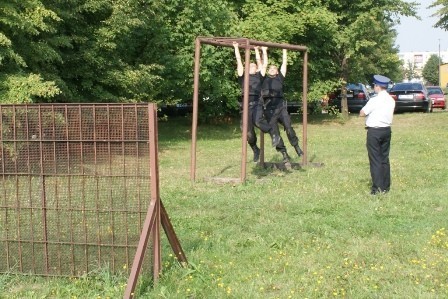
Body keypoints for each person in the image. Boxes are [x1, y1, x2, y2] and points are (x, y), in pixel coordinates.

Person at [233, 42, 279, 162]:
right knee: (247, 133)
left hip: (256, 103)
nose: (252, 66)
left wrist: (262, 50)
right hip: (245, 106)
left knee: (258, 122)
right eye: (250, 65)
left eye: (254, 65)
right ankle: (255, 149)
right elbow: (239, 62)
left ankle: (274, 134)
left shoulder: (259, 75)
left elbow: (263, 64)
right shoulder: (243, 75)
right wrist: (236, 47)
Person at [256, 48, 304, 163]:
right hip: (269, 109)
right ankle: (284, 154)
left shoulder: (280, 78)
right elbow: (261, 64)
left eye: (274, 68)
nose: (271, 69)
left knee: (288, 127)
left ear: (277, 71)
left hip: (280, 107)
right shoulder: (263, 79)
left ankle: (296, 147)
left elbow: (284, 63)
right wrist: (262, 51)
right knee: (275, 133)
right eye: (270, 68)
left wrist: (284, 51)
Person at [359, 75, 395, 195]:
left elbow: (362, 113)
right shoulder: (391, 100)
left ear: (378, 86)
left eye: (374, 85)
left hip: (374, 131)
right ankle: (386, 187)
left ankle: (377, 188)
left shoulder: (374, 100)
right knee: (384, 158)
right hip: (386, 130)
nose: (374, 87)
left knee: (375, 160)